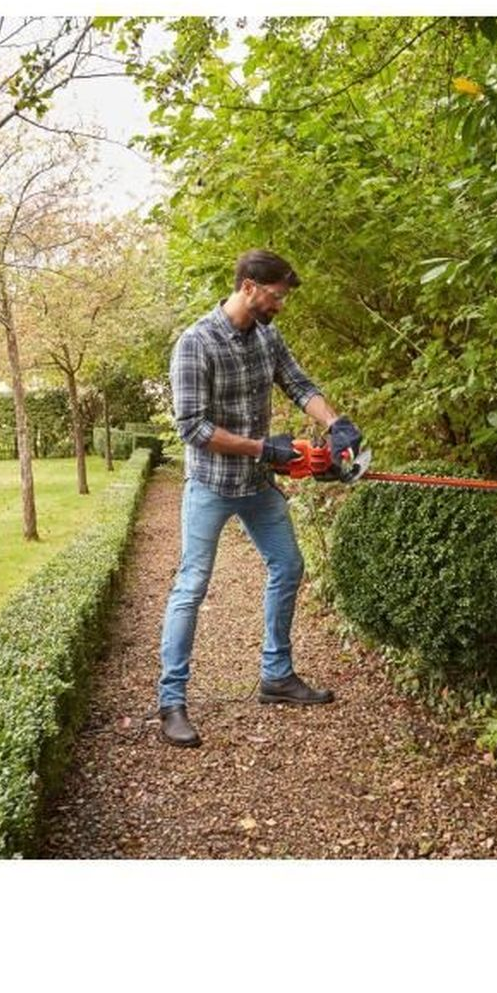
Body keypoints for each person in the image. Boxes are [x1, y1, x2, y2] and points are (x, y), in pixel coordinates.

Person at [157, 249, 363, 747]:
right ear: (248, 287)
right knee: (191, 586)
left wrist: (336, 423)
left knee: (288, 566)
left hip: (256, 485)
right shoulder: (196, 343)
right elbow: (192, 427)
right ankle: (171, 701)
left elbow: (298, 385)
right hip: (210, 485)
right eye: (275, 296)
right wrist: (262, 447)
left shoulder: (267, 336)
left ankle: (276, 676)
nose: (280, 305)